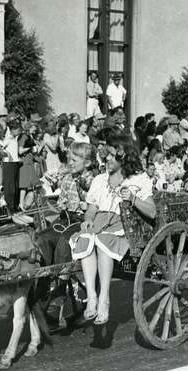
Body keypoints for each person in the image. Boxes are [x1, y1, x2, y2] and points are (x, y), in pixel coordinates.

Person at [73, 135, 156, 324]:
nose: (106, 159)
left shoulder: (138, 179)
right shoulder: (100, 180)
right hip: (100, 222)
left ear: (123, 156)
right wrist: (88, 220)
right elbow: (92, 208)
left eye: (111, 155)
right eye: (106, 155)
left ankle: (104, 299)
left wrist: (133, 199)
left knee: (103, 242)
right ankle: (92, 297)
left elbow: (151, 212)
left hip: (123, 225)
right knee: (84, 238)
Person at [37, 142, 95, 268]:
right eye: (70, 159)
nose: (70, 163)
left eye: (74, 160)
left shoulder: (94, 181)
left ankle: (61, 279)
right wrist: (60, 206)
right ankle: (44, 277)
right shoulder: (68, 178)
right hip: (66, 219)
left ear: (87, 163)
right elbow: (61, 201)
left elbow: (97, 205)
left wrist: (87, 207)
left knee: (64, 240)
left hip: (82, 221)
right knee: (43, 237)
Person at [0, 120, 21, 212]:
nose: (19, 132)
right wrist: (7, 155)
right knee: (10, 186)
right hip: (9, 163)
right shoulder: (8, 138)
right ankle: (10, 206)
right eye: (17, 130)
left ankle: (15, 204)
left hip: (15, 163)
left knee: (15, 185)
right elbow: (0, 147)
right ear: (12, 130)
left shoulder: (14, 138)